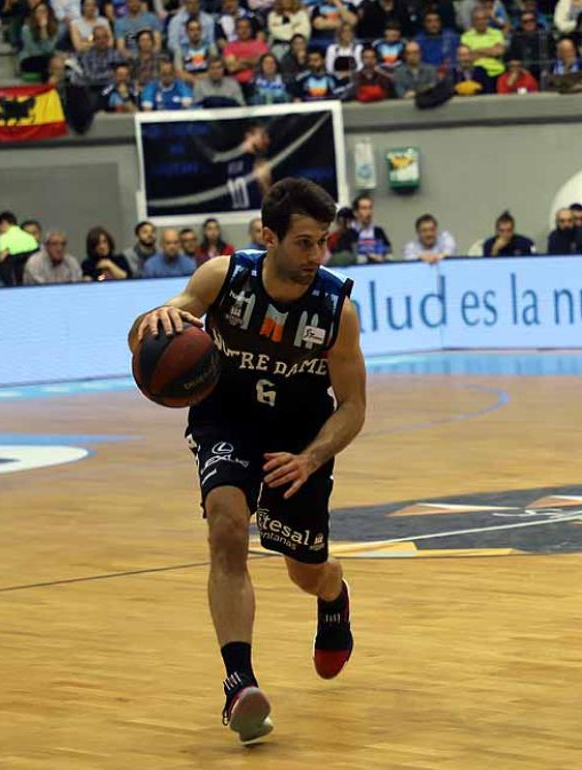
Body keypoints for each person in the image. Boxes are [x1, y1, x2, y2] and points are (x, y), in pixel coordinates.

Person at [125, 178, 365, 744]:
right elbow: (160, 326)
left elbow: (353, 407)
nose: (315, 256)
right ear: (268, 236)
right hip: (226, 419)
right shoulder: (222, 278)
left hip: (299, 438)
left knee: (304, 571)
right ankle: (240, 685)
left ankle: (333, 595)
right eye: (304, 242)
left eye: (322, 242)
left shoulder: (336, 310)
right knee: (227, 530)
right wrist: (149, 325)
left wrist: (311, 458)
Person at [351, 194, 392, 262]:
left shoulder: (379, 231)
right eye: (364, 208)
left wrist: (383, 257)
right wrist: (368, 258)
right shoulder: (349, 234)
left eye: (370, 208)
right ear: (355, 212)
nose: (369, 212)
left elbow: (389, 253)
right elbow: (349, 258)